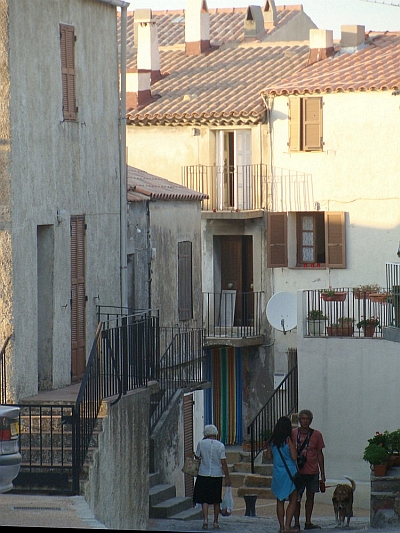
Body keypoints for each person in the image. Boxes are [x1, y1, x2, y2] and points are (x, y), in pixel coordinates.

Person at [193, 424, 231, 530]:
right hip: (216, 475)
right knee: (216, 499)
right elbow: (223, 462)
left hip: (203, 474)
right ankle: (215, 522)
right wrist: (227, 476)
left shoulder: (201, 443)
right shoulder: (220, 445)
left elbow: (197, 456)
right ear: (215, 433)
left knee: (204, 499)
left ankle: (205, 520)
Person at [292, 409, 326, 530]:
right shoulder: (293, 434)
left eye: (307, 419)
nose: (305, 421)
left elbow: (320, 454)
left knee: (310, 497)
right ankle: (296, 522)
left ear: (310, 420)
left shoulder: (317, 435)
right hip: (297, 471)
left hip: (312, 471)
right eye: (303, 419)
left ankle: (308, 521)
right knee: (296, 498)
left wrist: (323, 473)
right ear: (299, 420)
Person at [265, 416, 299, 533]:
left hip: (278, 472)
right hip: (290, 472)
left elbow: (269, 457)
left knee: (280, 500)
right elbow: (294, 457)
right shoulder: (289, 440)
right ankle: (288, 526)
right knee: (293, 499)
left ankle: (281, 527)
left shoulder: (271, 441)